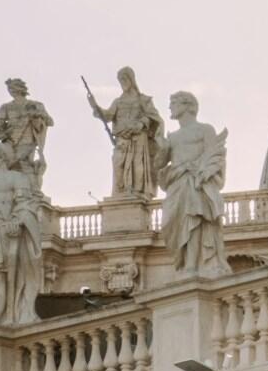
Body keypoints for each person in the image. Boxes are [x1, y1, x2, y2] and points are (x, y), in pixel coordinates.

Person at [157, 91, 228, 276]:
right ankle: (184, 262)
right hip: (177, 184)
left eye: (173, 103)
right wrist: (160, 146)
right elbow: (158, 164)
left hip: (196, 183)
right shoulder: (172, 138)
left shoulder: (205, 130)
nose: (170, 107)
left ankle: (191, 265)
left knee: (195, 220)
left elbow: (215, 156)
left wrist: (203, 172)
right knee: (173, 223)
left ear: (187, 105)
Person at [0, 141, 42, 327]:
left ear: (1, 156)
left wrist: (17, 221)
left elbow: (26, 204)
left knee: (0, 278)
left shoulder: (16, 178)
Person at [89, 67, 165, 198]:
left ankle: (137, 192)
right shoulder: (118, 102)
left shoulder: (143, 100)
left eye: (124, 79)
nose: (122, 82)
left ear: (131, 79)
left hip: (138, 137)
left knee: (137, 165)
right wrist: (94, 105)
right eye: (120, 80)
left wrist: (141, 123)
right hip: (122, 140)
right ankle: (121, 193)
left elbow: (154, 118)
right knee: (118, 164)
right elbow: (106, 116)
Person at [0, 77, 53, 193]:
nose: (11, 91)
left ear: (20, 89)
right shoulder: (5, 107)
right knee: (6, 166)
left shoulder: (35, 105)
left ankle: (33, 192)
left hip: (27, 142)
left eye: (12, 88)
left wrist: (37, 114)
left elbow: (50, 121)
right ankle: (9, 191)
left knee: (24, 165)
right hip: (9, 141)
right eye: (9, 89)